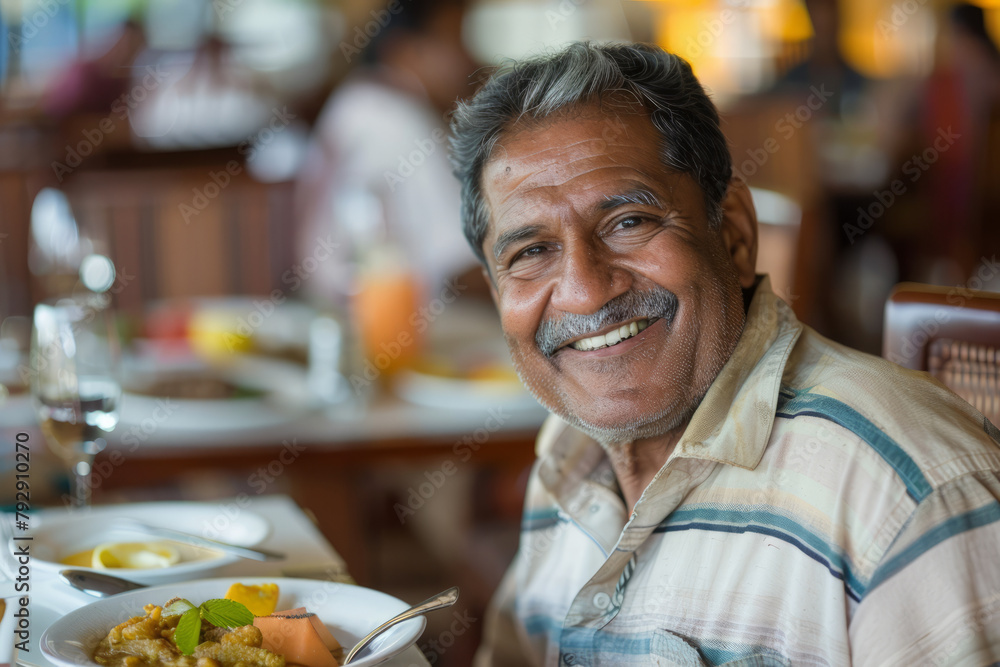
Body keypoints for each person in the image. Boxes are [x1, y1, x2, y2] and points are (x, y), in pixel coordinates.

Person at [449, 42, 1000, 666]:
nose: (583, 290)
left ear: (734, 232)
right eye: (530, 253)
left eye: (629, 221)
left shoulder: (906, 500)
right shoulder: (569, 452)